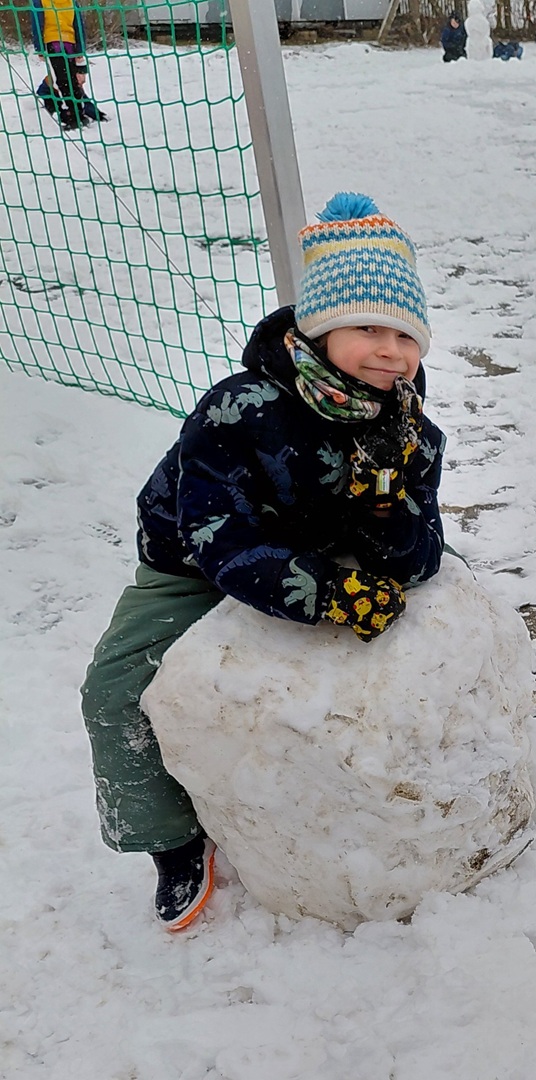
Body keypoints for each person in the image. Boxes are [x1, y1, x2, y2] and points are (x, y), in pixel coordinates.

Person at [79, 192, 447, 932]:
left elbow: (421, 554)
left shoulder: (408, 424)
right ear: (320, 329)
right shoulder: (239, 410)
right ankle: (171, 840)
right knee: (112, 691)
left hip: (316, 545)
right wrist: (325, 592)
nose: (390, 351)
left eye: (406, 335)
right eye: (367, 328)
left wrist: (386, 498)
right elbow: (219, 538)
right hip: (193, 564)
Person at [30, 0, 91, 130]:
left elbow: (37, 25)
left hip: (53, 43)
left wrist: (39, 47)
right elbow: (79, 26)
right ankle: (79, 113)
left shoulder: (40, 2)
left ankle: (70, 115)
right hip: (70, 43)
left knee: (60, 81)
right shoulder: (71, 2)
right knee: (71, 79)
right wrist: (80, 48)